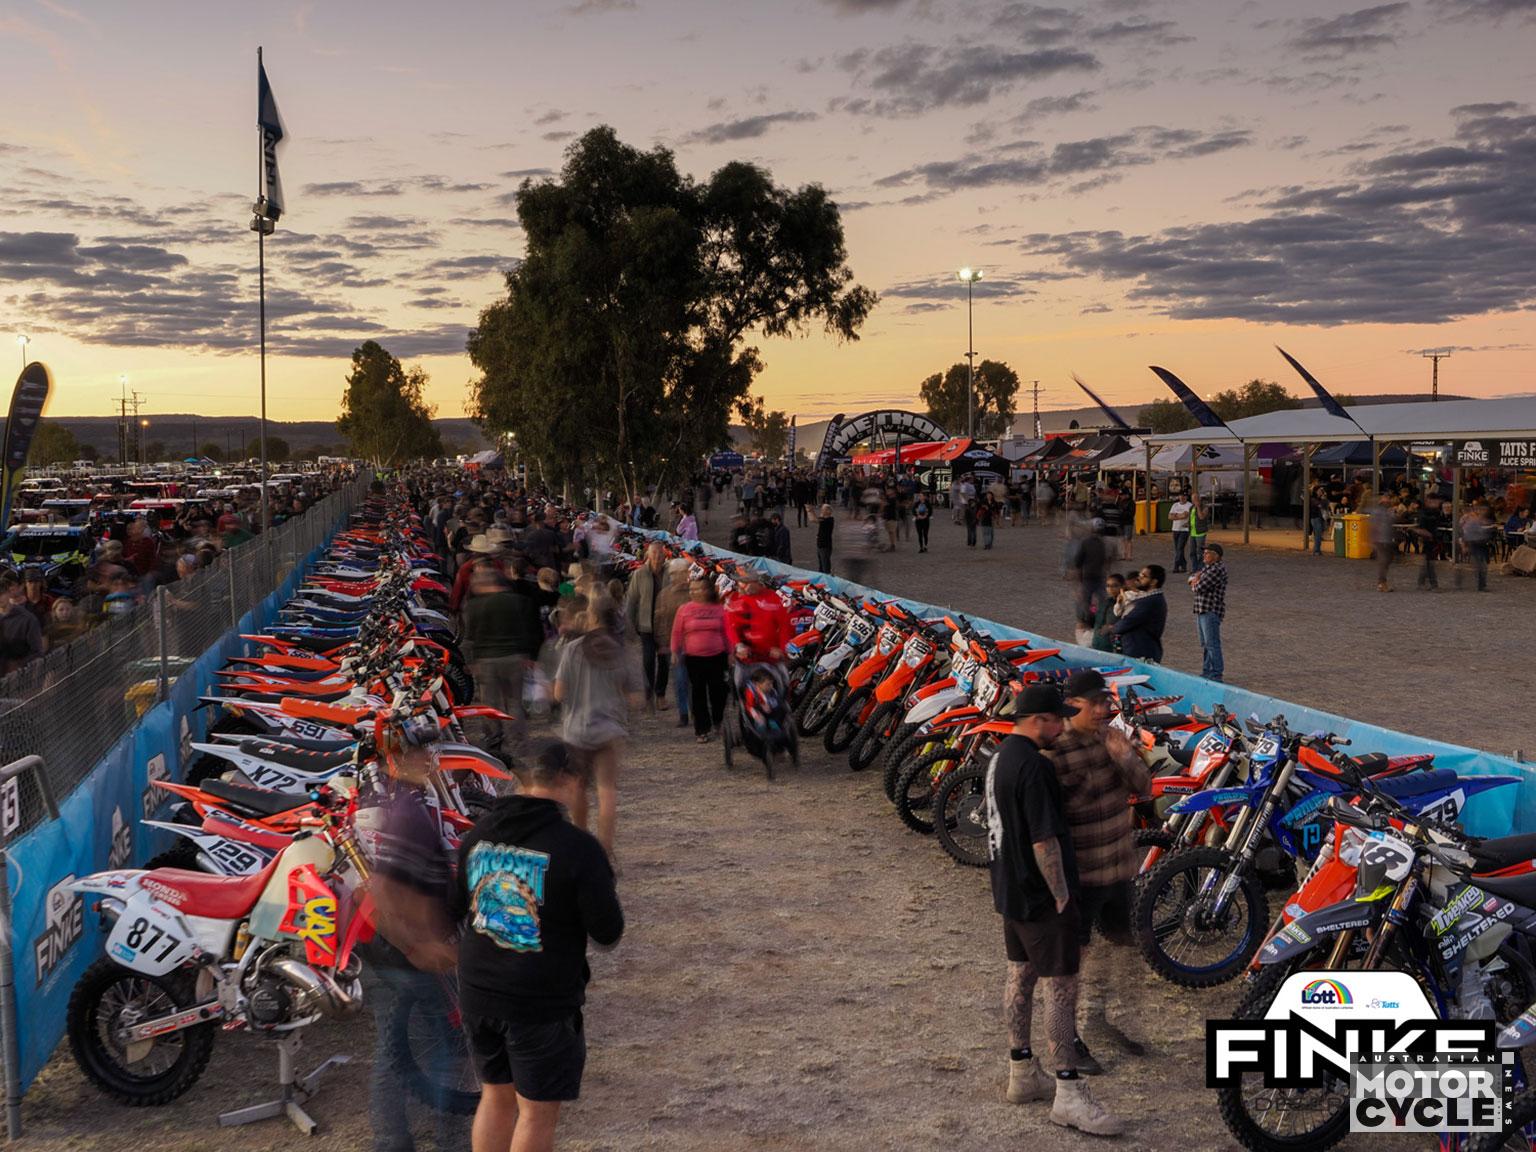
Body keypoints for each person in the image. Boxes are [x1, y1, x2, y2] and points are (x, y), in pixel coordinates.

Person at [451, 741, 624, 1152]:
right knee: (535, 1114)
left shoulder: (480, 833)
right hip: (538, 1001)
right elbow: (607, 931)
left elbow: (456, 907)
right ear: (570, 781)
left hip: (478, 991)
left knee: (495, 1097)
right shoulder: (577, 847)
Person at [986, 683, 1123, 1136]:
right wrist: (1062, 894)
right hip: (1043, 897)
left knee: (1020, 977)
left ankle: (1022, 1072)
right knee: (1061, 989)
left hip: (1011, 890)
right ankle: (1068, 1092)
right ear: (1038, 720)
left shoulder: (1000, 757)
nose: (1062, 727)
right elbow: (1044, 839)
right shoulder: (1035, 767)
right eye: (1056, 719)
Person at [358, 720, 464, 1152]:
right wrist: (419, 946)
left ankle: (402, 1138)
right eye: (418, 753)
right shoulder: (408, 815)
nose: (427, 759)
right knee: (410, 1050)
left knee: (408, 1049)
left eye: (428, 751)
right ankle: (408, 1140)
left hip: (398, 952)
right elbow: (382, 893)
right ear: (396, 762)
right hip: (398, 957)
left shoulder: (410, 805)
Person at [1048, 670, 1152, 1073]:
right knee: (1071, 961)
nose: (1102, 709)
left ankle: (1101, 1018)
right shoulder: (1057, 751)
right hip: (1082, 875)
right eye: (1094, 703)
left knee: (1122, 947)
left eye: (1105, 702)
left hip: (1119, 870)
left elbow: (1145, 787)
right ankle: (1068, 1040)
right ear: (1073, 704)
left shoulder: (1111, 738)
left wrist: (1124, 755)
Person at [553, 596, 643, 858]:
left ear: (591, 617)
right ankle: (605, 850)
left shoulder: (573, 649)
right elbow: (636, 699)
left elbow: (559, 693)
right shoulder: (623, 652)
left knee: (578, 787)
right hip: (609, 729)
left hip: (576, 729)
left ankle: (580, 844)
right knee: (607, 791)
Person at [463, 566, 545, 739]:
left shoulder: (474, 606)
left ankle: (494, 740)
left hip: (486, 660)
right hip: (516, 657)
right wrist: (532, 656)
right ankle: (518, 738)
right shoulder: (521, 602)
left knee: (490, 704)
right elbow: (534, 631)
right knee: (515, 701)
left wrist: (471, 661)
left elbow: (470, 637)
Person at [671, 576, 730, 743]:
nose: (693, 592)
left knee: (719, 691)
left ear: (708, 590)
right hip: (694, 657)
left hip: (717, 656)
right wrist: (675, 651)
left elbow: (727, 632)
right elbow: (677, 632)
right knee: (698, 694)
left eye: (697, 589)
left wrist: (731, 652)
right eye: (691, 589)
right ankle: (702, 729)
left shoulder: (719, 609)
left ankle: (717, 720)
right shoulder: (684, 609)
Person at [623, 543, 670, 710]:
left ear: (665, 555)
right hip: (646, 624)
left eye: (660, 553)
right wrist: (629, 624)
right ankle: (648, 694)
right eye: (654, 553)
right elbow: (632, 600)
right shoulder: (640, 574)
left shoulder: (670, 573)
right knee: (648, 660)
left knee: (664, 661)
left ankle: (661, 695)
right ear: (648, 555)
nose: (657, 556)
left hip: (664, 626)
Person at [654, 560, 692, 729]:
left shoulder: (694, 592)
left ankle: (696, 711)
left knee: (694, 681)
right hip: (675, 645)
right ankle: (684, 713)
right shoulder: (664, 595)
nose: (677, 577)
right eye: (673, 574)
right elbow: (659, 620)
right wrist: (662, 642)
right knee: (680, 680)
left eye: (681, 573)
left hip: (694, 644)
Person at [1188, 541, 1227, 682]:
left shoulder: (1216, 569)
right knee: (1205, 644)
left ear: (1216, 556)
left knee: (1212, 644)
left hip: (1210, 609)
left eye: (1207, 553)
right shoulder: (1208, 568)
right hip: (1202, 609)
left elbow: (1198, 587)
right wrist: (1195, 580)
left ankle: (1216, 673)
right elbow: (1192, 579)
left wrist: (1195, 582)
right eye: (1204, 553)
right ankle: (1207, 671)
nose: (1204, 555)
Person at [1112, 565, 1166, 663]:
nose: (1139, 578)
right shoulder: (1147, 599)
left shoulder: (1149, 602)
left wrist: (1114, 628)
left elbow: (1128, 621)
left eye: (1143, 576)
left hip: (1140, 651)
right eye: (1140, 575)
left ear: (1153, 582)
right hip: (1138, 649)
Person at [0, 575, 44, 674]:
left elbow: (37, 651)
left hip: (19, 675)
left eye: (1, 594)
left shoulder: (27, 619)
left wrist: (20, 665)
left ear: (9, 593)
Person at [1460, 504, 1495, 593]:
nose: (1484, 512)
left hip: (1483, 544)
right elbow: (1466, 533)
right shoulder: (1473, 521)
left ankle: (1481, 584)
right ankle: (1481, 585)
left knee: (1483, 565)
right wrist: (1465, 545)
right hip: (1475, 544)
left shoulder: (1485, 520)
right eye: (1482, 510)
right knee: (1481, 565)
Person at [1416, 492, 1444, 591]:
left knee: (1427, 562)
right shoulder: (1424, 513)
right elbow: (1421, 528)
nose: (1437, 503)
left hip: (1433, 540)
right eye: (1435, 502)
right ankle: (1433, 584)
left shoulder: (1436, 512)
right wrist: (1429, 535)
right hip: (1429, 540)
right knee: (1430, 563)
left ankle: (1421, 582)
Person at [1369, 494, 1397, 593]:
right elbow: (1375, 525)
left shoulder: (1387, 510)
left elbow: (1391, 521)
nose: (1388, 501)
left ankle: (1382, 582)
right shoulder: (1378, 511)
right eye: (1386, 499)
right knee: (1384, 561)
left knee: (1387, 559)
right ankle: (1381, 583)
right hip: (1381, 539)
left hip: (1386, 538)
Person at [1089, 574, 1123, 653]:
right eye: (1108, 586)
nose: (1110, 589)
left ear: (1122, 586)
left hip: (1115, 643)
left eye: (1115, 586)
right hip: (1099, 642)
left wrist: (1111, 627)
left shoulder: (1124, 603)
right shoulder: (1105, 603)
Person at [1168, 492, 1193, 573]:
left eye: (1184, 496)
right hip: (1175, 529)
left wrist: (1176, 515)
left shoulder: (1189, 505)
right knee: (1178, 549)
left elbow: (1186, 516)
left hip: (1184, 530)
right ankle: (1183, 565)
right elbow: (1170, 517)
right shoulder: (1175, 505)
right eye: (1181, 496)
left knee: (1180, 547)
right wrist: (1180, 515)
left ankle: (1176, 565)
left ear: (1186, 497)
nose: (1182, 498)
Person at [1185, 493, 1207, 573]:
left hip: (1200, 532)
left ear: (1199, 499)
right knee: (1192, 552)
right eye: (1193, 499)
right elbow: (1191, 518)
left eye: (1195, 499)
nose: (1194, 501)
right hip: (1192, 532)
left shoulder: (1204, 507)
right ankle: (1194, 568)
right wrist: (1188, 524)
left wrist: (1198, 507)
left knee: (1200, 551)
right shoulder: (1191, 508)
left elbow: (1201, 517)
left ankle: (1200, 568)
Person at [815, 504, 835, 574]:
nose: (821, 511)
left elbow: (813, 519)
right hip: (820, 545)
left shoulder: (828, 520)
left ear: (828, 511)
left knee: (825, 567)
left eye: (823, 509)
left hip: (825, 546)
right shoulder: (824, 519)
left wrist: (810, 511)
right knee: (821, 566)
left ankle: (827, 578)